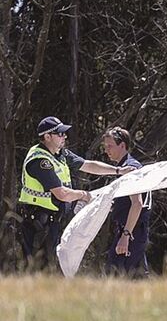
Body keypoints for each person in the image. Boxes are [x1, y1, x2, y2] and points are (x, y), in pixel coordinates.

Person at [18, 116, 132, 269]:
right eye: (60, 134)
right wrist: (83, 195)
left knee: (51, 268)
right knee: (36, 268)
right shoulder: (40, 161)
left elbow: (88, 165)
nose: (64, 136)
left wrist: (118, 171)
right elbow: (62, 194)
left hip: (52, 222)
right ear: (47, 137)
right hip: (38, 224)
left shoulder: (60, 154)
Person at [102, 126, 150, 277]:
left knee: (117, 276)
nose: (106, 150)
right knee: (134, 277)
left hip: (132, 232)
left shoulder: (131, 169)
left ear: (122, 145)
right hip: (130, 231)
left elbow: (137, 203)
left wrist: (126, 236)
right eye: (105, 147)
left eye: (110, 146)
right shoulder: (123, 168)